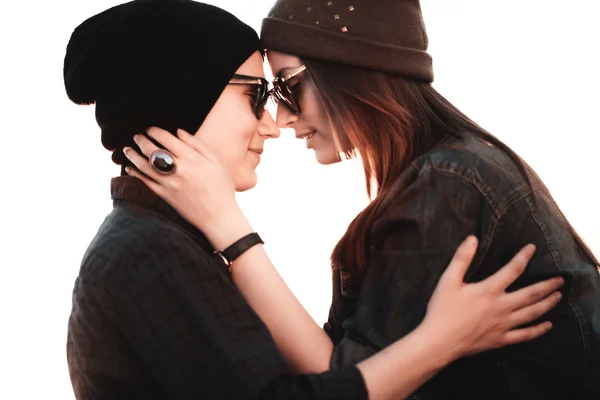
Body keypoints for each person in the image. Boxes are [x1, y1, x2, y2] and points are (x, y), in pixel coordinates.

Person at [65, 1, 565, 399]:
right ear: (182, 98)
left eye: (285, 89)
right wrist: (440, 341)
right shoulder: (150, 251)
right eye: (258, 94)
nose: (276, 122)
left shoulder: (451, 181)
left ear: (350, 70)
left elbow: (334, 373)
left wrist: (233, 234)